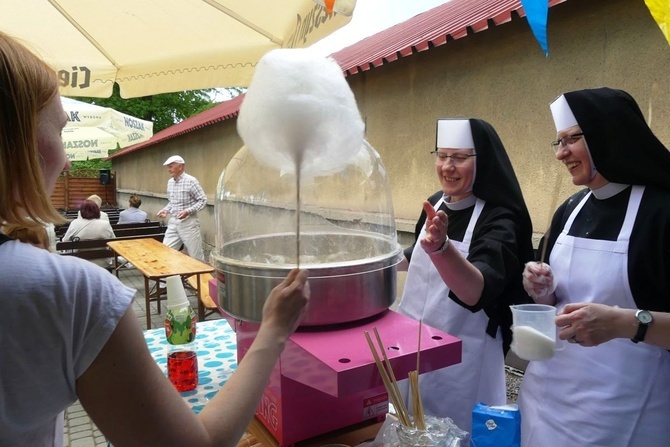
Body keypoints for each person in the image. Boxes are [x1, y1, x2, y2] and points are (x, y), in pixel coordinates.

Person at [0, 31, 310, 447]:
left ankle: (201, 293)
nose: (68, 157)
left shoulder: (193, 181)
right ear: (17, 144)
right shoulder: (68, 292)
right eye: (59, 131)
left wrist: (182, 210)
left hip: (190, 222)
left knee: (195, 260)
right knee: (167, 253)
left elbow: (199, 201)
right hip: (171, 223)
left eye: (172, 168)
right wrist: (273, 329)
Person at [518, 87, 670, 446]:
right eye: (557, 142)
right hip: (548, 398)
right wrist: (543, 290)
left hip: (624, 412)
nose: (560, 153)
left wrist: (623, 322)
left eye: (572, 139)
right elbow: (558, 301)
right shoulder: (570, 210)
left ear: (608, 132)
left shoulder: (661, 213)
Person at [397, 118, 534, 434]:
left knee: (456, 435)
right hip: (414, 347)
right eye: (442, 155)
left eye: (459, 158)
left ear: (482, 161)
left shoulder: (500, 217)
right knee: (408, 430)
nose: (447, 166)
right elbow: (415, 254)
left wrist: (442, 248)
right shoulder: (436, 202)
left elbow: (476, 291)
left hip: (464, 359)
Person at [157, 155, 207, 261]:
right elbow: (172, 202)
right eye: (168, 167)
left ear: (180, 167)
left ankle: (200, 277)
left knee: (196, 257)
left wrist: (188, 211)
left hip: (189, 224)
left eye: (170, 166)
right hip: (173, 223)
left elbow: (203, 200)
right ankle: (173, 277)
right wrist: (165, 210)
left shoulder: (191, 181)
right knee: (165, 252)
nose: (168, 170)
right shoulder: (170, 183)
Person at [63, 199, 116, 268]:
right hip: (103, 261)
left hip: (80, 262)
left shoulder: (75, 223)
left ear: (81, 211)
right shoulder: (105, 224)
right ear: (97, 210)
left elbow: (65, 242)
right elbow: (114, 241)